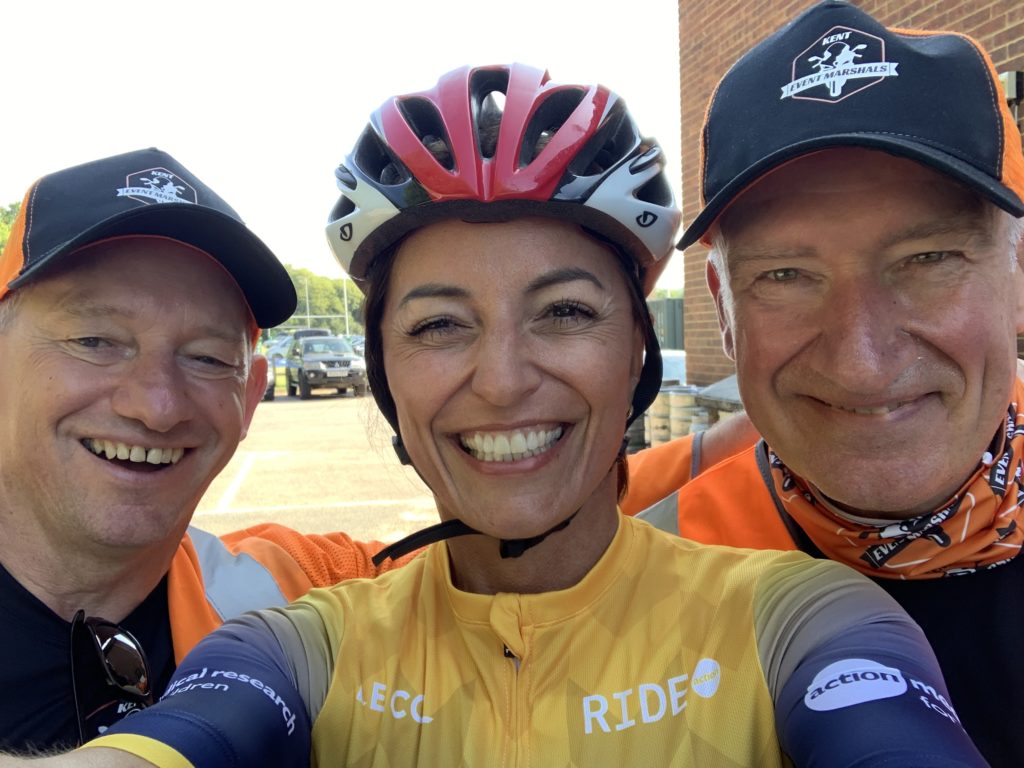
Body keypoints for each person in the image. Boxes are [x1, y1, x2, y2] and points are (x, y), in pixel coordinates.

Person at [36, 63, 986, 768]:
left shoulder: (800, 617)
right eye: (440, 324)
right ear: (385, 374)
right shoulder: (303, 641)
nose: (500, 381)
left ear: (636, 361)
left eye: (566, 312)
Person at [620, 1, 1024, 764]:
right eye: (785, 275)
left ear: (1019, 271)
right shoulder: (637, 588)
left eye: (929, 259)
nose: (860, 361)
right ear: (723, 309)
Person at [0, 148, 409, 753]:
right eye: (95, 339)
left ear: (249, 397)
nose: (157, 405)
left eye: (208, 358)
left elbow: (542, 560)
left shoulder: (296, 592)